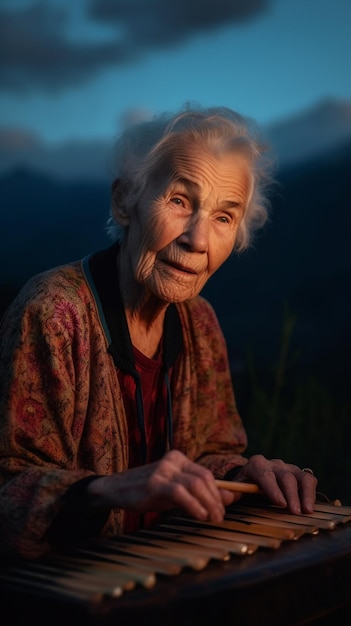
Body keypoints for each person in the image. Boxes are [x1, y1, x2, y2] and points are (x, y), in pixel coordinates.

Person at [0, 104, 317, 560]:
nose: (198, 240)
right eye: (179, 201)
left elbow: (210, 453)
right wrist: (106, 490)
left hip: (165, 585)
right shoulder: (53, 313)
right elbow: (9, 488)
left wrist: (250, 475)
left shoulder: (200, 323)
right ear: (124, 200)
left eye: (224, 217)